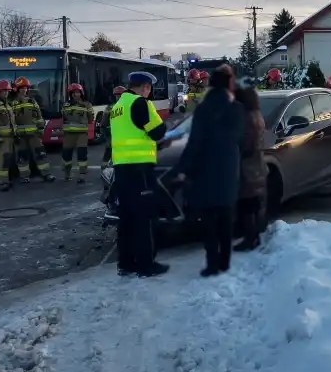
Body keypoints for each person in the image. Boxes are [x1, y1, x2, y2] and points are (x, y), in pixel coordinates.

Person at [176, 64, 244, 277]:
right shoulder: (236, 109)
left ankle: (212, 264)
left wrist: (183, 169)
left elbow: (194, 143)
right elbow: (239, 138)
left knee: (209, 222)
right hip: (228, 171)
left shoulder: (203, 109)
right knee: (226, 218)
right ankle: (225, 261)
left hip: (204, 172)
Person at [109, 71, 169, 277]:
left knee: (126, 218)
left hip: (122, 169)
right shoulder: (140, 104)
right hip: (140, 170)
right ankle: (146, 265)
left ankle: (125, 264)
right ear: (145, 87)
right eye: (149, 88)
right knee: (145, 217)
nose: (149, 92)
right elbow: (157, 132)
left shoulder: (117, 107)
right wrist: (164, 130)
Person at [234, 85, 268, 251]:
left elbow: (245, 143)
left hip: (247, 166)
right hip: (257, 163)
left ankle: (250, 239)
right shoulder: (256, 115)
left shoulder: (246, 118)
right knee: (254, 202)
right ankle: (254, 235)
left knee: (247, 203)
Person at [12, 76, 55, 183]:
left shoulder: (32, 101)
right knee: (23, 157)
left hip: (34, 134)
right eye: (21, 88)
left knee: (41, 154)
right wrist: (14, 134)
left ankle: (46, 174)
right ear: (17, 89)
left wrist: (40, 130)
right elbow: (11, 120)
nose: (24, 90)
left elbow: (38, 116)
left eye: (25, 88)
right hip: (20, 136)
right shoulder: (12, 103)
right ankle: (24, 176)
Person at [61, 83, 94, 183]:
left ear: (81, 93)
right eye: (73, 93)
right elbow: (63, 117)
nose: (75, 94)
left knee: (82, 154)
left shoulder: (87, 105)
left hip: (81, 134)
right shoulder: (65, 105)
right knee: (66, 156)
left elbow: (91, 118)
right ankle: (67, 173)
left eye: (77, 92)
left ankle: (82, 175)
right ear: (70, 94)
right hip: (68, 135)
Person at [101, 85, 126, 169]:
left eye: (120, 95)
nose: (118, 97)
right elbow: (103, 122)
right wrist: (105, 132)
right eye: (117, 95)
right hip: (112, 133)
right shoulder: (110, 107)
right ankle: (104, 168)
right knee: (109, 150)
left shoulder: (127, 106)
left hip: (122, 134)